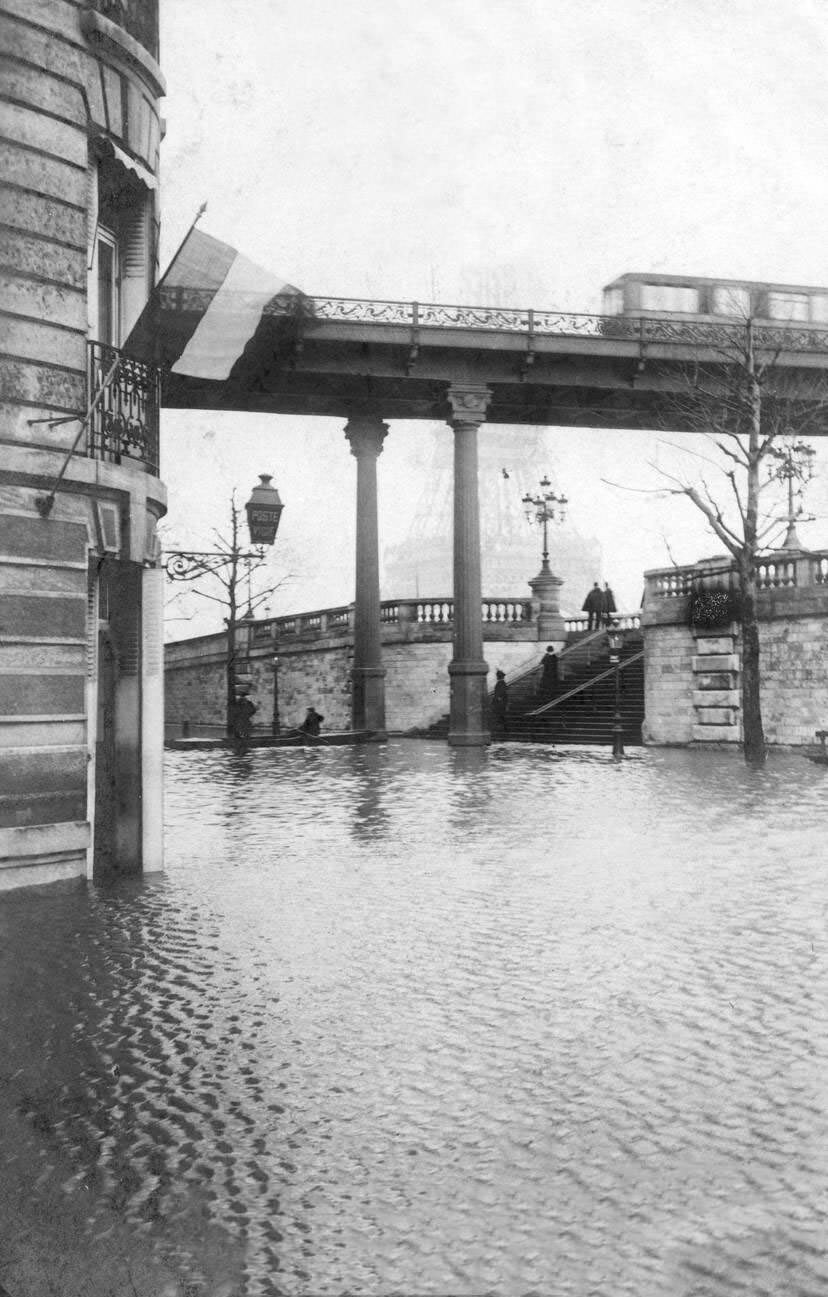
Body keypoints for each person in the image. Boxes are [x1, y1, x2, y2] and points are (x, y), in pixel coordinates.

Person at [490, 669, 508, 737]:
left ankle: (504, 729)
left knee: (500, 716)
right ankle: (504, 729)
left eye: (497, 676)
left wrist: (497, 699)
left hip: (500, 703)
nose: (496, 677)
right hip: (500, 702)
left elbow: (499, 693)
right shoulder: (502, 683)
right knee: (500, 716)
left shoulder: (501, 683)